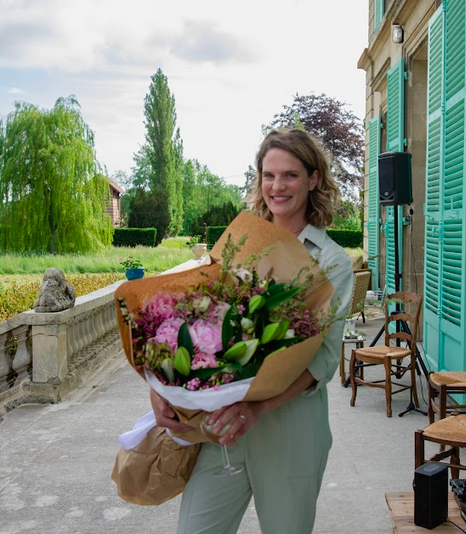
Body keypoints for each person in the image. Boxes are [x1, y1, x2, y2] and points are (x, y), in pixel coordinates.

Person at [150, 129, 354, 533]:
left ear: (313, 180)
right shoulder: (238, 242)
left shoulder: (331, 262)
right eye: (269, 175)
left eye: (290, 175)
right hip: (220, 428)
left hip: (289, 432)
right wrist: (160, 386)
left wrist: (256, 408)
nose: (277, 186)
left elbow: (322, 362)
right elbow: (192, 321)